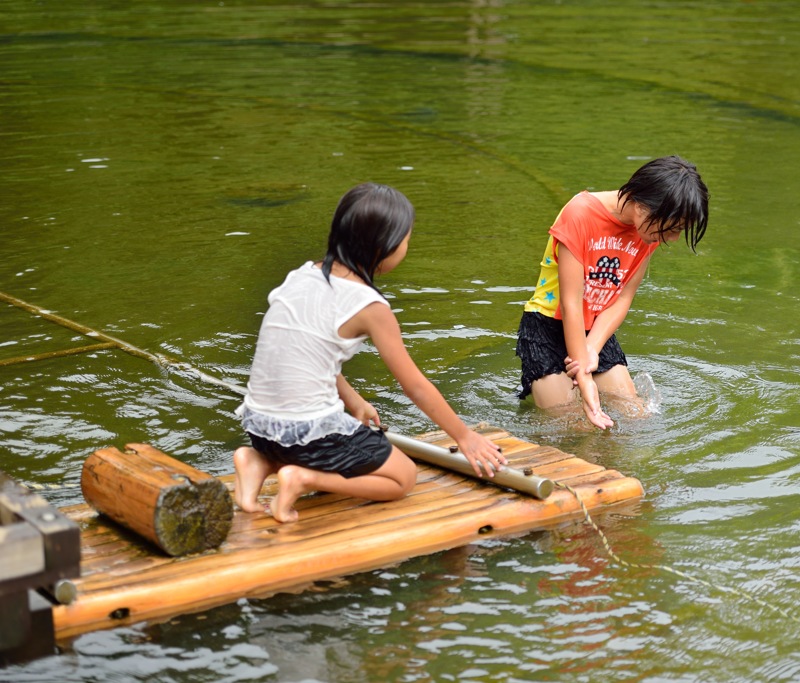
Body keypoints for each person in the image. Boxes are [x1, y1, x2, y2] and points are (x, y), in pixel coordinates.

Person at [233, 182, 507, 523]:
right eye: (406, 239)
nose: (407, 246)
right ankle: (302, 478)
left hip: (260, 429)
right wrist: (464, 436)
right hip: (305, 433)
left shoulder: (302, 275)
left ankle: (258, 463)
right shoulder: (370, 306)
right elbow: (415, 386)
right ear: (385, 247)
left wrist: (354, 402)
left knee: (337, 457)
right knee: (401, 478)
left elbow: (308, 358)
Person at [515, 155, 709, 429]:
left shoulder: (647, 232)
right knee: (573, 425)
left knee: (636, 417)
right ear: (643, 207)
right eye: (674, 228)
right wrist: (584, 378)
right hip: (547, 326)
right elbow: (570, 304)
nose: (673, 239)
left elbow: (622, 298)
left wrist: (592, 349)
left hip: (595, 328)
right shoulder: (580, 214)